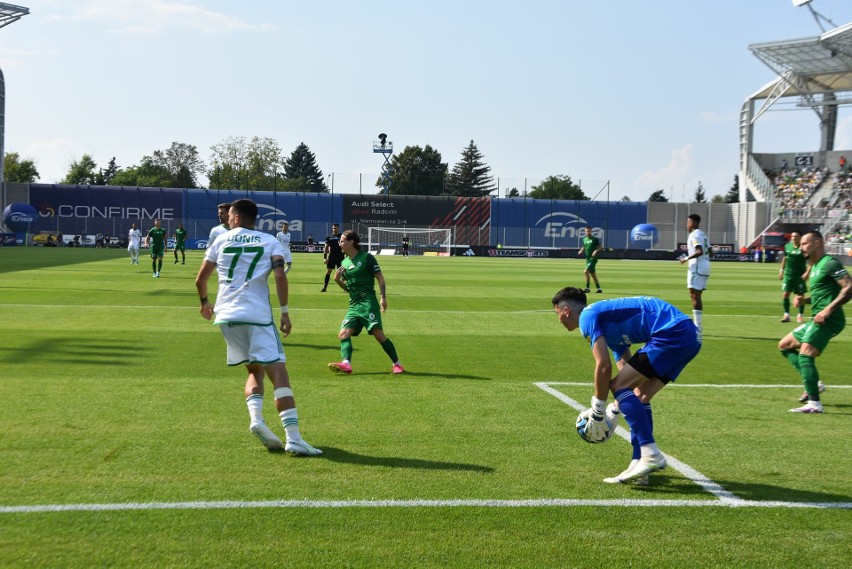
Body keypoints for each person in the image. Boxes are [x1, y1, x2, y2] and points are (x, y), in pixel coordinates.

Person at [195, 198, 321, 455]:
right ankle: (294, 437)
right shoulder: (269, 241)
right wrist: (285, 313)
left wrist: (205, 303)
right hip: (257, 316)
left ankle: (257, 420)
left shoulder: (221, 240)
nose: (228, 219)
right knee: (279, 373)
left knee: (254, 370)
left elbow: (201, 279)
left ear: (238, 218)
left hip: (226, 317)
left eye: (230, 216)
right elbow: (279, 274)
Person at [552, 287, 701, 485]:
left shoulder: (587, 317)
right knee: (641, 394)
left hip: (671, 332)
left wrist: (598, 411)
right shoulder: (607, 325)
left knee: (618, 385)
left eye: (557, 314)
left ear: (566, 311)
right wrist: (614, 411)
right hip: (688, 336)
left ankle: (650, 454)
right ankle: (639, 464)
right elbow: (628, 374)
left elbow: (603, 367)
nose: (558, 320)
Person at [779, 231, 851, 413]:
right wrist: (805, 301)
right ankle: (815, 383)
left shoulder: (830, 263)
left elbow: (849, 287)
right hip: (818, 316)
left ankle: (815, 404)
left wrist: (828, 310)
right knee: (785, 345)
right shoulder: (815, 265)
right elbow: (824, 296)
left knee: (805, 355)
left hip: (829, 319)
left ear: (818, 243)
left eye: (804, 243)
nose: (801, 247)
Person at [328, 230, 404, 375]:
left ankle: (397, 364)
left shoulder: (367, 258)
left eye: (343, 241)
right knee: (343, 333)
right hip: (354, 304)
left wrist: (383, 297)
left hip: (368, 301)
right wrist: (337, 280)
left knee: (378, 334)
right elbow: (348, 288)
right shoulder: (344, 262)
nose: (340, 244)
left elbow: (380, 277)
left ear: (351, 242)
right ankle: (346, 364)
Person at [679, 214, 710, 331]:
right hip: (705, 266)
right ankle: (698, 324)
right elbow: (710, 252)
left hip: (697, 267)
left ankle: (698, 326)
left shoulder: (695, 234)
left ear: (692, 222)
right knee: (697, 296)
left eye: (687, 222)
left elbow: (699, 251)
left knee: (694, 295)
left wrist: (686, 258)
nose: (686, 225)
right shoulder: (703, 234)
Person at [779, 232, 808, 323]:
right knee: (785, 294)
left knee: (800, 295)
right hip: (788, 274)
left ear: (800, 238)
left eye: (796, 236)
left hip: (799, 275)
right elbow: (785, 258)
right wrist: (781, 270)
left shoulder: (804, 248)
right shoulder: (787, 246)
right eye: (792, 236)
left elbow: (811, 261)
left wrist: (807, 272)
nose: (793, 238)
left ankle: (800, 315)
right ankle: (786, 315)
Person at [577, 226, 603, 293]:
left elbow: (601, 248)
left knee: (586, 271)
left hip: (593, 258)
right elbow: (583, 247)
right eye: (586, 231)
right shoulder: (584, 239)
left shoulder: (595, 239)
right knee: (593, 275)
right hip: (588, 259)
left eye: (589, 231)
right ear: (585, 232)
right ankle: (599, 288)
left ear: (591, 231)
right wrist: (581, 251)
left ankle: (587, 288)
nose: (588, 232)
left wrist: (596, 251)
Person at [321, 223, 344, 292]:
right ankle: (325, 287)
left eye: (336, 228)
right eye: (333, 228)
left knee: (343, 272)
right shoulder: (329, 237)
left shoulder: (341, 236)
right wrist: (325, 257)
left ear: (338, 228)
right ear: (332, 228)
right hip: (332, 256)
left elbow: (345, 245)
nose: (334, 229)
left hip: (340, 256)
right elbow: (326, 247)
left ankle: (344, 288)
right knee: (329, 271)